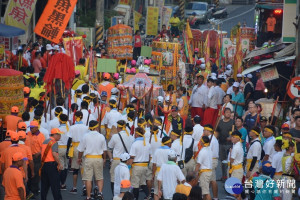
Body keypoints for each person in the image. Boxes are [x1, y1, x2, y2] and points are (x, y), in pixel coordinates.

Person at [77, 120, 107, 200]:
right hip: (98, 158)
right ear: (96, 127)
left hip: (89, 158)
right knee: (99, 177)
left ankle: (88, 196)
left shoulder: (85, 136)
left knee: (88, 178)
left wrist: (79, 158)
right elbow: (104, 150)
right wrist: (104, 159)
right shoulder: (101, 136)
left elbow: (80, 150)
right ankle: (100, 193)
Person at [108, 120, 133, 195]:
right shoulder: (131, 137)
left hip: (116, 160)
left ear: (118, 127)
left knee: (113, 179)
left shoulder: (115, 136)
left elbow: (109, 148)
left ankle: (115, 196)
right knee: (126, 179)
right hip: (127, 161)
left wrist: (111, 159)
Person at [40, 128, 63, 200]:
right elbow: (54, 154)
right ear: (55, 135)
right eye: (59, 135)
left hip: (44, 165)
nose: (60, 136)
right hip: (52, 165)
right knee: (55, 186)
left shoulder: (45, 141)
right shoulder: (54, 142)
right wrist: (59, 163)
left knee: (44, 186)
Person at [129, 127, 151, 199]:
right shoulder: (147, 143)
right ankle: (149, 195)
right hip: (145, 166)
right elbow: (149, 156)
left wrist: (128, 166)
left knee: (135, 185)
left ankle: (136, 198)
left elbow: (132, 157)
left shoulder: (135, 144)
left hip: (136, 166)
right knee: (143, 183)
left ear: (137, 134)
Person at [27, 121, 45, 198]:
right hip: (28, 157)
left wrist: (39, 153)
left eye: (32, 128)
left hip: (36, 157)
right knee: (28, 173)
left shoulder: (41, 136)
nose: (31, 129)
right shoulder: (28, 134)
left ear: (36, 128)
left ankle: (34, 191)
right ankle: (29, 190)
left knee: (35, 174)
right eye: (30, 128)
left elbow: (43, 148)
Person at [216, 108, 233, 181]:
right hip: (221, 143)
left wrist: (231, 138)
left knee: (229, 162)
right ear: (224, 113)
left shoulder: (233, 122)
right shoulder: (220, 122)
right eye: (227, 112)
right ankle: (223, 176)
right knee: (222, 161)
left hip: (229, 144)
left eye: (229, 112)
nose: (228, 114)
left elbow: (234, 133)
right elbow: (217, 132)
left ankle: (229, 177)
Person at [202, 124, 219, 200]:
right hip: (213, 160)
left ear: (207, 131)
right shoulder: (213, 138)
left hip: (211, 160)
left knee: (212, 180)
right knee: (210, 180)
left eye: (204, 130)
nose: (203, 132)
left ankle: (215, 197)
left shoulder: (210, 139)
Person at [194, 136, 212, 200]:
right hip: (208, 172)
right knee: (204, 192)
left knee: (206, 192)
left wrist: (195, 173)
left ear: (202, 142)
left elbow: (198, 164)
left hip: (204, 173)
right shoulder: (209, 149)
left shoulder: (202, 151)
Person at [57, 114, 70, 190]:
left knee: (61, 166)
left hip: (60, 148)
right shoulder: (69, 128)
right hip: (67, 149)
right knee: (66, 166)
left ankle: (61, 183)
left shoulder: (58, 129)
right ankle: (63, 183)